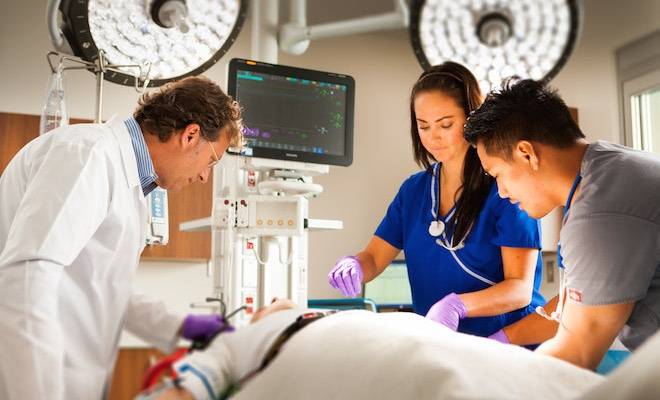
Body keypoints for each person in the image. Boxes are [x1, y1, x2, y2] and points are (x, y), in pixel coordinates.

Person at [0, 76, 242, 399]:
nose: (203, 176)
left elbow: (106, 287)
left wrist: (178, 325)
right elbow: (28, 276)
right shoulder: (88, 155)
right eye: (211, 160)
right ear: (191, 134)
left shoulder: (135, 187)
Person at [328, 62, 545, 337]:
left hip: (505, 343)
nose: (434, 137)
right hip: (442, 345)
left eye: (446, 124)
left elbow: (519, 289)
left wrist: (459, 306)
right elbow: (374, 256)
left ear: (471, 118)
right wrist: (355, 266)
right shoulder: (414, 191)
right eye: (424, 126)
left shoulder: (505, 188)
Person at [463, 78, 660, 370]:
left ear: (526, 153)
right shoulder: (606, 166)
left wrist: (492, 376)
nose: (502, 192)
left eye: (497, 175)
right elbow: (573, 309)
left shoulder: (600, 215)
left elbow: (577, 352)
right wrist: (502, 341)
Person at [139, 299, 601, 400]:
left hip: (411, 335)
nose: (272, 302)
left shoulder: (347, 314)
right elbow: (183, 392)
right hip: (328, 355)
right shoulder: (242, 340)